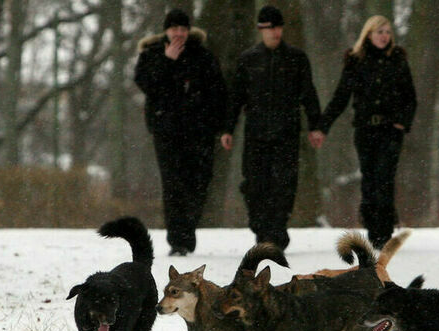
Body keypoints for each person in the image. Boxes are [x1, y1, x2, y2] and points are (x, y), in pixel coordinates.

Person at [221, 5, 321, 251]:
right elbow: (235, 98)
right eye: (269, 28)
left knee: (284, 186)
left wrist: (316, 126)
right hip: (256, 134)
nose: (275, 32)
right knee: (254, 186)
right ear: (260, 30)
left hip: (286, 133)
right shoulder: (248, 60)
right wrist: (228, 129)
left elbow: (309, 94)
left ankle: (275, 233)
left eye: (278, 27)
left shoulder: (297, 59)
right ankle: (262, 229)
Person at [312, 15, 416, 249]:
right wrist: (322, 126)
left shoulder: (398, 59)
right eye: (379, 31)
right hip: (365, 130)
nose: (384, 36)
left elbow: (410, 97)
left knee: (385, 178)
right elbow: (340, 97)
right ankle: (373, 228)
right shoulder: (355, 60)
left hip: (391, 130)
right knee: (370, 181)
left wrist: (402, 122)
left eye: (387, 32)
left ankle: (384, 234)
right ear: (368, 34)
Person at [134, 9, 227, 256]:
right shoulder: (151, 54)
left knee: (198, 183)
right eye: (174, 29)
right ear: (166, 30)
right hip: (167, 131)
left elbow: (218, 91)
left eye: (183, 29)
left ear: (189, 31)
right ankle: (179, 241)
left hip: (200, 132)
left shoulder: (203, 56)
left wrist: (219, 126)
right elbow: (146, 85)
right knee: (173, 185)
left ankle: (188, 228)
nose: (178, 34)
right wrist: (167, 61)